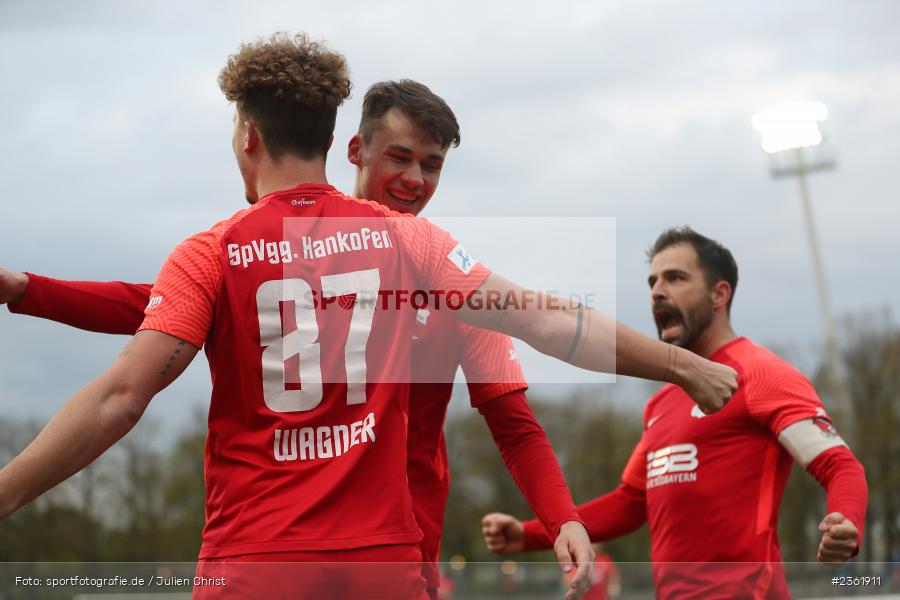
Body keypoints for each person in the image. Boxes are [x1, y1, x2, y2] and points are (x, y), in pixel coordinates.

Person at [0, 34, 737, 599]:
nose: (416, 180)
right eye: (402, 158)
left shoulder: (218, 249)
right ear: (341, 144)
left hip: (284, 556)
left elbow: (129, 384)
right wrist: (27, 289)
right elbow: (546, 321)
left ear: (247, 135)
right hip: (383, 560)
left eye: (433, 164)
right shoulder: (418, 249)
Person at [482, 227, 869, 599]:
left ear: (719, 294)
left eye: (675, 278)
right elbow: (630, 504)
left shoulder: (763, 375)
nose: (657, 292)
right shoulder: (661, 401)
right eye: (652, 282)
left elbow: (840, 466)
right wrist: (530, 533)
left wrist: (845, 520)